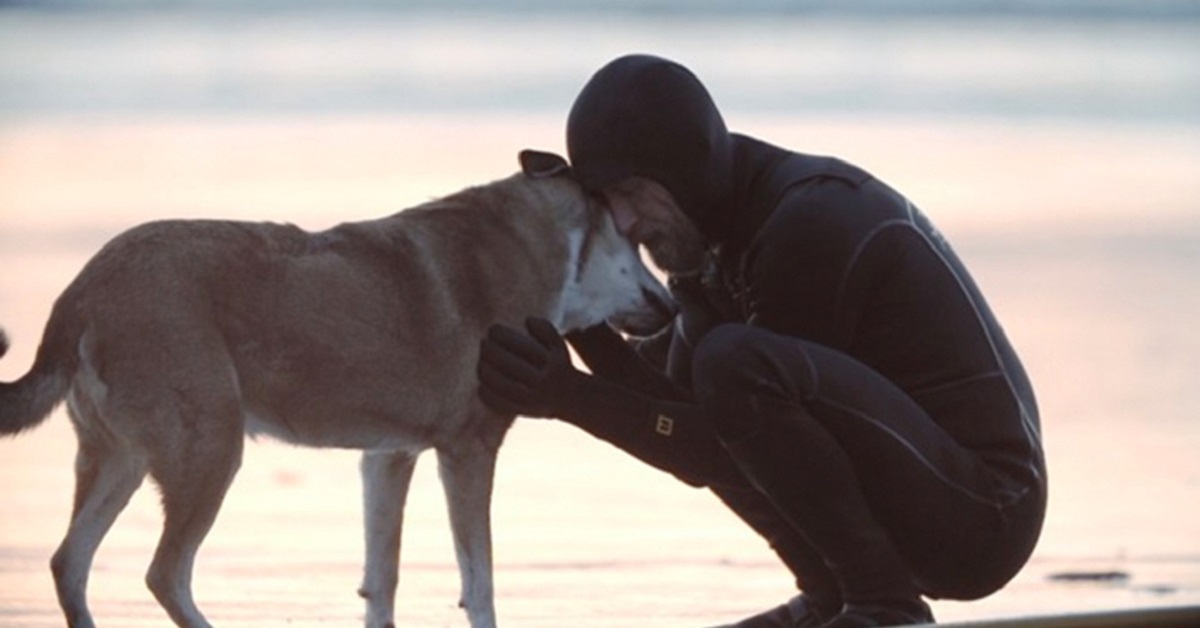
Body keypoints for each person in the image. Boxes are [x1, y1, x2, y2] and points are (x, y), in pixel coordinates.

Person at [476, 54, 1046, 628]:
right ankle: (835, 595)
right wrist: (582, 326)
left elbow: (720, 443)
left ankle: (885, 606)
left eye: (631, 192)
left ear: (683, 167)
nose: (623, 222)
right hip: (925, 496)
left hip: (986, 513)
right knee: (721, 371)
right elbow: (677, 419)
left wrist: (568, 397)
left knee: (731, 365)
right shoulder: (710, 248)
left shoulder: (811, 220)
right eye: (605, 201)